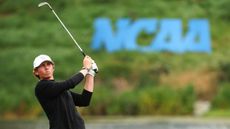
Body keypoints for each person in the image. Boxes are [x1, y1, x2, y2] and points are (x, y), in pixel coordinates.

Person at [33, 54, 98, 129]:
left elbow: (84, 100)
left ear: (53, 68)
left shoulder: (60, 89)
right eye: (42, 65)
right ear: (36, 72)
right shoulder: (41, 87)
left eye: (48, 64)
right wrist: (86, 69)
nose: (46, 67)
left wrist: (91, 73)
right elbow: (70, 83)